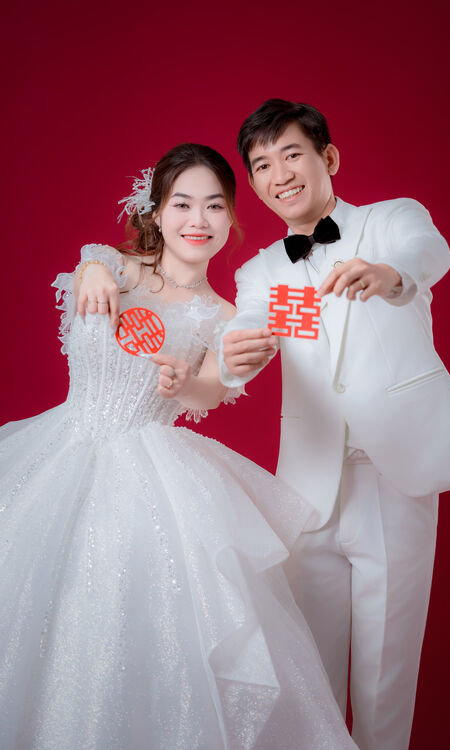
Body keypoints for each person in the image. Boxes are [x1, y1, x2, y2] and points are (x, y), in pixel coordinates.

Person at [0, 143, 358, 750]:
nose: (198, 220)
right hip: (57, 455)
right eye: (183, 204)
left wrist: (182, 382)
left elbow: (212, 391)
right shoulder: (111, 269)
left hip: (148, 483)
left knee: (140, 628)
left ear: (231, 218)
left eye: (214, 206)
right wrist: (92, 268)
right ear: (157, 211)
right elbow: (93, 264)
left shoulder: (227, 313)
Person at [218, 99, 450, 750]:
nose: (279, 174)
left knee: (384, 682)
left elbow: (428, 251)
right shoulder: (261, 270)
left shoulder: (389, 221)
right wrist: (235, 354)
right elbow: (252, 321)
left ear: (329, 157)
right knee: (312, 683)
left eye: (292, 154)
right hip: (306, 495)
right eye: (262, 165)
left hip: (392, 478)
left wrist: (391, 274)